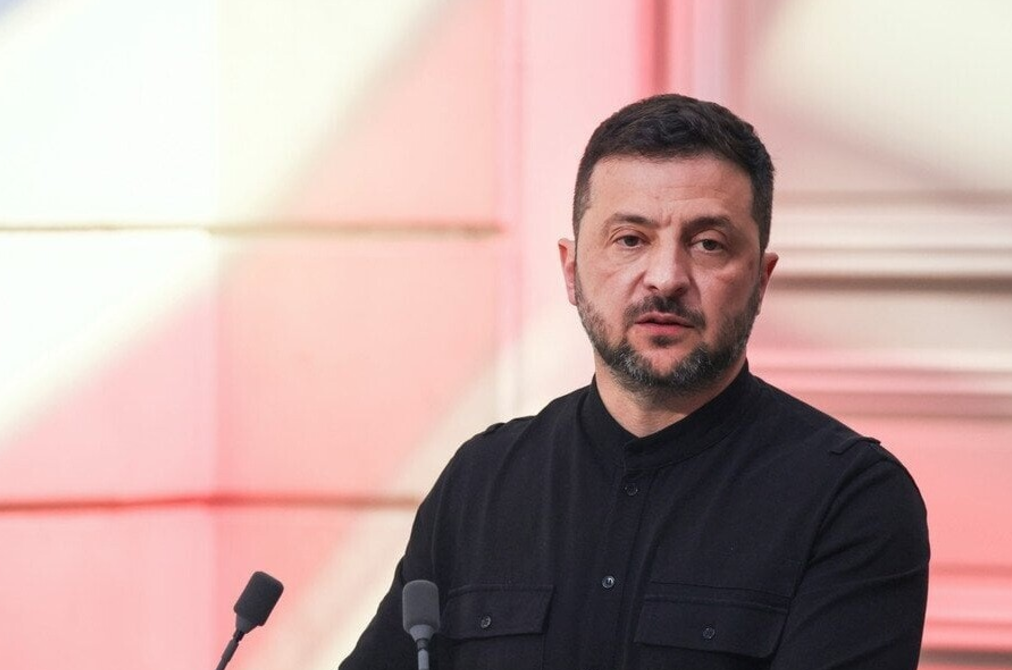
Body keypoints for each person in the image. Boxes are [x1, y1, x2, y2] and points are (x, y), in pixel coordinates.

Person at [340, 93, 929, 669]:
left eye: (708, 244)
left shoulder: (850, 500)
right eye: (630, 239)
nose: (666, 278)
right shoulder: (481, 481)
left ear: (760, 280)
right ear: (571, 270)